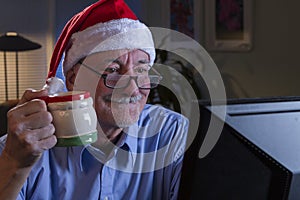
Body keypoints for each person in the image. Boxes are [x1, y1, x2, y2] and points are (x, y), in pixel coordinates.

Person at [0, 0, 189, 199]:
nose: (133, 88)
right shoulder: (20, 148)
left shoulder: (171, 134)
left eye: (141, 70)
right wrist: (15, 165)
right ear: (73, 79)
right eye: (113, 70)